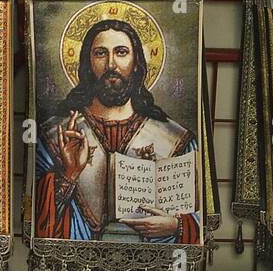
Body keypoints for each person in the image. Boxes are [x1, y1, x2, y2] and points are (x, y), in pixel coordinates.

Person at [35, 19, 199, 243]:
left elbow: (198, 216)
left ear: (136, 62)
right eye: (100, 53)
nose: (111, 64)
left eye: (121, 52)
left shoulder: (175, 138)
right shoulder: (55, 135)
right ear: (88, 63)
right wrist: (69, 175)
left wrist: (178, 226)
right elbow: (38, 224)